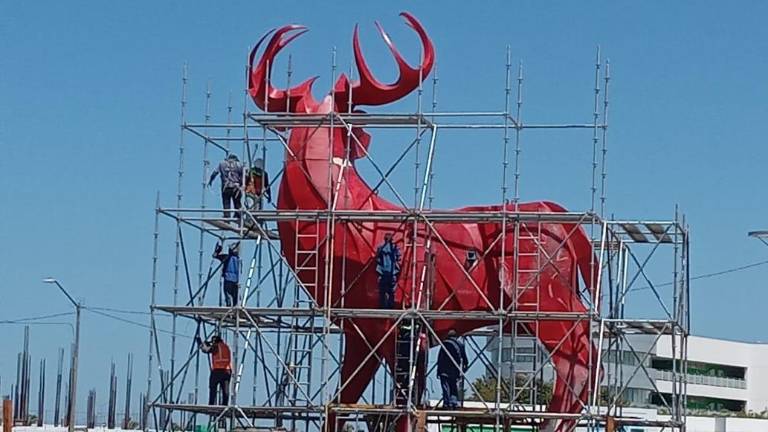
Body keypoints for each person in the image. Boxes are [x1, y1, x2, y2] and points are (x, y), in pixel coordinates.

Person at [197, 334, 232, 406]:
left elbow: (207, 350)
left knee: (213, 388)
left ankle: (211, 404)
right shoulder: (226, 347)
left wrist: (200, 344)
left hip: (217, 370)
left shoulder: (216, 346)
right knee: (225, 391)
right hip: (227, 371)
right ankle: (225, 405)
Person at [437, 329, 468, 409]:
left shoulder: (444, 344)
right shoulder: (460, 344)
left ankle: (447, 403)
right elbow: (464, 358)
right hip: (455, 369)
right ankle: (454, 403)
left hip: (444, 369)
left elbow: (440, 358)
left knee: (446, 387)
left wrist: (438, 371)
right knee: (453, 386)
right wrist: (464, 367)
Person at [209, 153, 244, 219]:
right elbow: (244, 175)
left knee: (226, 202)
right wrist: (241, 184)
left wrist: (211, 180)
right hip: (236, 187)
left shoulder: (222, 164)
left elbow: (215, 172)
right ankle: (238, 215)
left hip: (226, 186)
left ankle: (227, 216)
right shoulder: (239, 165)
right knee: (237, 202)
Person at [375, 233, 401, 309]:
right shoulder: (395, 248)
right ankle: (390, 306)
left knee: (383, 291)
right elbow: (399, 258)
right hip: (391, 273)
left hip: (383, 272)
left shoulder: (381, 247)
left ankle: (383, 306)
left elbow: (377, 258)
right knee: (391, 291)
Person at [214, 242, 241, 307]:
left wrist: (218, 250)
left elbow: (215, 255)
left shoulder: (226, 257)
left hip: (228, 279)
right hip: (236, 280)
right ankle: (234, 309)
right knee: (235, 296)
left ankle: (229, 309)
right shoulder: (238, 259)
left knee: (228, 294)